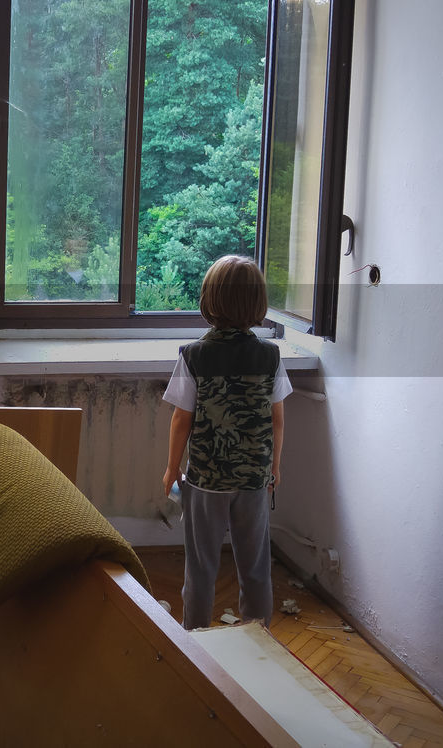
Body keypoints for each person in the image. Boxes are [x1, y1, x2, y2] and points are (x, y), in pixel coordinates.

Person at [161, 255, 291, 630]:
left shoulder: (195, 355)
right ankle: (257, 643)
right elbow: (277, 418)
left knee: (201, 566)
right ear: (257, 304)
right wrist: (274, 468)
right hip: (253, 480)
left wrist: (172, 468)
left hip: (206, 481)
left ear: (209, 300)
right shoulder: (270, 356)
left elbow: (181, 418)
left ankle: (196, 640)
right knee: (255, 566)